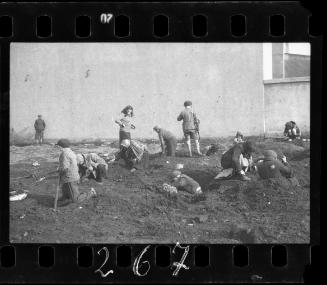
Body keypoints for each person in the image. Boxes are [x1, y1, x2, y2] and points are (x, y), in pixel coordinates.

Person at [56, 139, 96, 206]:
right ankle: (66, 197)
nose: (57, 148)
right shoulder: (70, 152)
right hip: (71, 176)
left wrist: (60, 170)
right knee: (65, 189)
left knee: (76, 200)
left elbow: (65, 168)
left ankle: (91, 193)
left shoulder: (64, 154)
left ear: (60, 147)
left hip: (70, 178)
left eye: (58, 146)